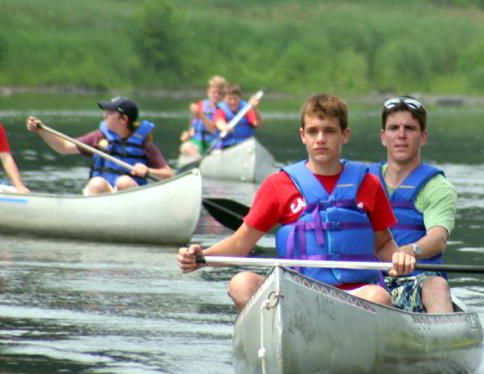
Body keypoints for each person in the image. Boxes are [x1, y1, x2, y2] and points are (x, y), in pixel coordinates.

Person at [178, 93, 415, 310]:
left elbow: (383, 244)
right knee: (241, 283)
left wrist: (399, 258)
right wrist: (202, 257)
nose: (320, 139)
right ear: (303, 136)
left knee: (379, 297)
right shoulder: (277, 185)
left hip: (355, 294)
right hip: (296, 292)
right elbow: (240, 244)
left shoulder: (368, 184)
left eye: (329, 131)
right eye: (313, 131)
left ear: (345, 134)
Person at [368, 96, 457, 313]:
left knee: (437, 285)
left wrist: (411, 251)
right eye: (393, 128)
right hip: (371, 279)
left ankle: (442, 336)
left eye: (409, 128)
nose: (401, 135)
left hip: (420, 279)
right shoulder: (363, 182)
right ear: (383, 137)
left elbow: (438, 237)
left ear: (423, 137)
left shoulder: (437, 187)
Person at [26, 96, 173, 194]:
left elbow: (168, 175)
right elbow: (63, 147)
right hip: (102, 194)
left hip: (132, 200)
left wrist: (148, 170)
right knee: (97, 183)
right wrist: (41, 131)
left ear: (123, 119)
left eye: (110, 113)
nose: (105, 116)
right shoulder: (99, 137)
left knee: (124, 182)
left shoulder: (144, 144)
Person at [179, 75, 226, 160]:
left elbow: (213, 130)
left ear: (223, 95)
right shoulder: (201, 104)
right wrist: (188, 134)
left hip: (215, 143)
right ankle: (198, 161)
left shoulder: (224, 109)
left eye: (220, 93)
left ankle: (201, 162)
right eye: (214, 92)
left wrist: (201, 115)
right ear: (208, 92)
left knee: (218, 153)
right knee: (185, 147)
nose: (216, 95)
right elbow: (194, 124)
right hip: (198, 141)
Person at [213, 83, 262, 149]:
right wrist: (225, 127)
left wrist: (254, 109)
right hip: (227, 145)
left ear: (240, 98)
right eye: (229, 99)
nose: (233, 102)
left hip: (246, 145)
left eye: (235, 98)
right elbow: (219, 122)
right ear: (224, 99)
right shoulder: (221, 109)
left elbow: (259, 124)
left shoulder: (246, 108)